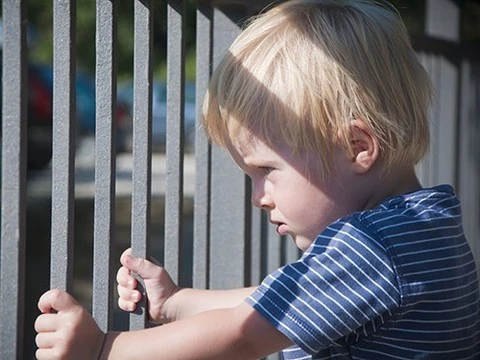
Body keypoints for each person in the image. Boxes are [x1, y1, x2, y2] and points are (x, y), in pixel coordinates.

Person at [34, 0, 480, 359]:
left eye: (266, 171)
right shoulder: (425, 224)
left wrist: (103, 348)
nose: (258, 198)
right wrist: (176, 303)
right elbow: (273, 298)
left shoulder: (372, 246)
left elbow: (244, 335)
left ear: (357, 148)